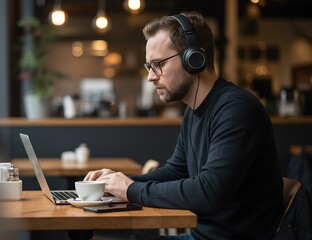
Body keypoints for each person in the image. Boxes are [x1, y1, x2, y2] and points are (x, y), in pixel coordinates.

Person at [84, 11, 284, 240]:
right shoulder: (192, 112)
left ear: (194, 58)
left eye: (158, 64)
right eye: (149, 66)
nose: (151, 76)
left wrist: (129, 190)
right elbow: (175, 171)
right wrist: (116, 183)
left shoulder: (237, 109)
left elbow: (209, 193)